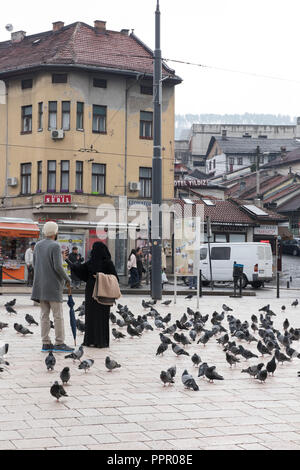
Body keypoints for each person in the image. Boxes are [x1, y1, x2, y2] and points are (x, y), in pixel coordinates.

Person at [65, 242, 118, 349]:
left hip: (91, 292)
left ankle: (90, 341)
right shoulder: (108, 263)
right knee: (102, 318)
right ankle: (101, 341)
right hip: (103, 294)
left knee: (90, 317)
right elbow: (115, 278)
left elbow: (78, 269)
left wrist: (67, 260)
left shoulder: (91, 263)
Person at [31, 221, 74, 353]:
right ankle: (59, 343)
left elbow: (34, 264)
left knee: (44, 315)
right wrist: (68, 279)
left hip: (40, 286)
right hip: (53, 286)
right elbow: (58, 266)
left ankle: (46, 343)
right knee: (58, 315)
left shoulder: (37, 245)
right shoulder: (55, 246)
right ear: (55, 232)